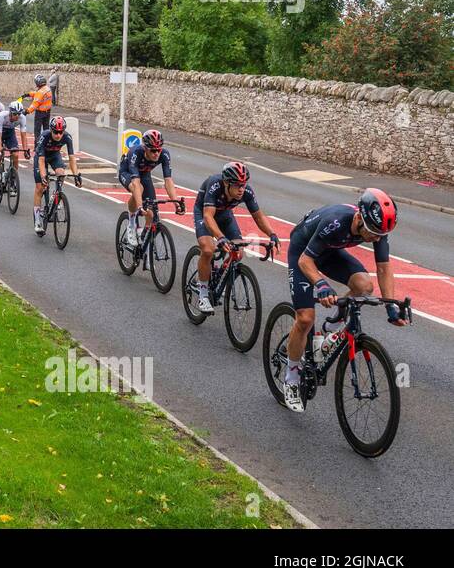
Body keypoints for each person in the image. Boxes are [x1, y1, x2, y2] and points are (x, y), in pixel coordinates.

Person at [280, 189, 406, 412]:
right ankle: (291, 378)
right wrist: (321, 284)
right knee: (306, 319)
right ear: (359, 218)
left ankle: (332, 326)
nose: (376, 238)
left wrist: (391, 306)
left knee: (364, 286)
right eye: (372, 233)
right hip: (303, 254)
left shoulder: (377, 229)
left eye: (380, 235)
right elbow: (306, 261)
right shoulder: (336, 222)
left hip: (329, 252)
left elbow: (384, 268)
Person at [192, 161, 281, 313]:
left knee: (238, 253)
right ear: (226, 183)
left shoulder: (246, 192)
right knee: (208, 250)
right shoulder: (215, 185)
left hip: (225, 215)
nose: (242, 189)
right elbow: (208, 216)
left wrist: (272, 235)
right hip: (205, 213)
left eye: (244, 184)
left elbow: (259, 217)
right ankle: (203, 293)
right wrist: (220, 237)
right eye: (237, 185)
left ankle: (217, 274)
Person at [117, 129, 184, 247]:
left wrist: (176, 203)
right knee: (138, 189)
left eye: (159, 149)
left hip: (145, 174)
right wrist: (139, 206)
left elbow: (168, 181)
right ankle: (132, 224)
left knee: (152, 213)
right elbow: (136, 182)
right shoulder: (136, 153)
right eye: (153, 150)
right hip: (127, 172)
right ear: (145, 148)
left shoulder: (164, 154)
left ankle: (144, 237)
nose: (157, 153)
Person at [31, 116, 82, 234]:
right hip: (41, 157)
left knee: (61, 173)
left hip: (54, 155)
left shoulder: (67, 137)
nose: (58, 135)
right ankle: (37, 220)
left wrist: (76, 175)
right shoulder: (45, 136)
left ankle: (56, 196)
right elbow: (41, 161)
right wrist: (43, 176)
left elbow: (72, 159)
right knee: (40, 187)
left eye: (60, 132)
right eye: (55, 132)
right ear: (51, 130)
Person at [0, 100, 26, 188]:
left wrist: (26, 150)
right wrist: (0, 147)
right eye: (15, 114)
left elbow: (23, 135)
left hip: (10, 133)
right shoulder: (2, 116)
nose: (17, 116)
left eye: (19, 114)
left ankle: (13, 179)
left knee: (15, 154)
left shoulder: (22, 118)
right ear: (10, 112)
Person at [25, 74, 52, 150]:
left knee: (37, 131)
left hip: (40, 113)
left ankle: (37, 146)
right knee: (46, 129)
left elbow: (35, 104)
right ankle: (47, 144)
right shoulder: (47, 89)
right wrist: (29, 94)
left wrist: (27, 111)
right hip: (47, 112)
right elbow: (38, 94)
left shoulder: (40, 92)